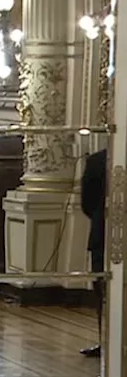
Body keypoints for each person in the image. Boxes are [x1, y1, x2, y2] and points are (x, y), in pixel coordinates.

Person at [79, 148, 106, 358]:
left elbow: (87, 203)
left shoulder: (97, 160)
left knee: (103, 293)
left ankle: (105, 341)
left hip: (102, 234)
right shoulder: (97, 160)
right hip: (102, 236)